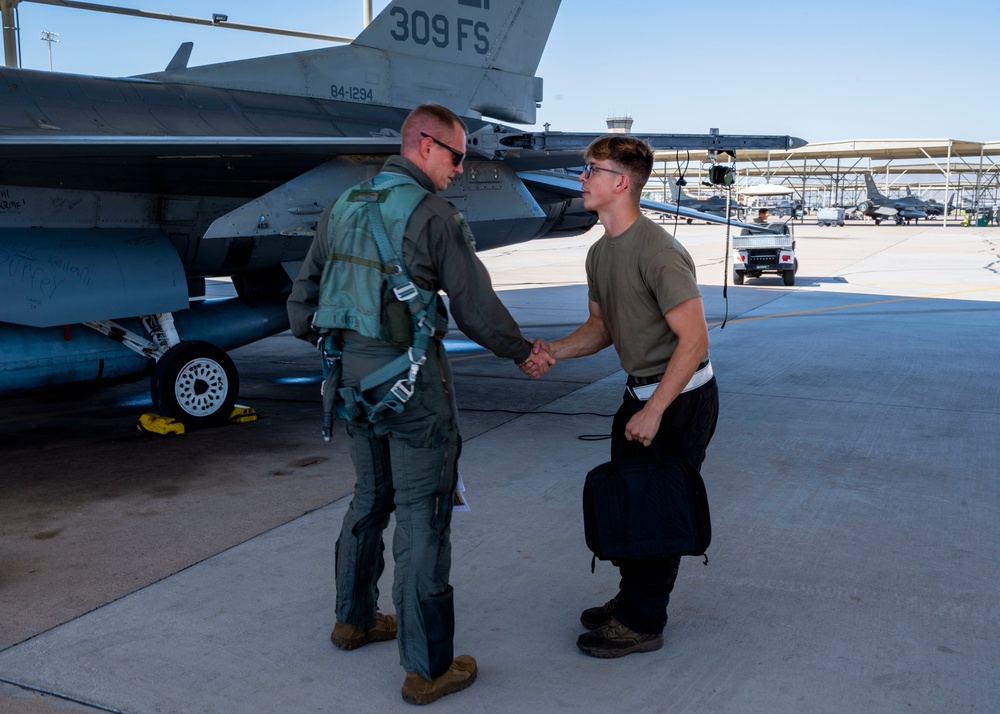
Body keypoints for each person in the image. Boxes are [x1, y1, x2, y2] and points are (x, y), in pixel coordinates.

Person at [287, 104, 552, 705]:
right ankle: (428, 669)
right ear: (426, 145)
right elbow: (475, 307)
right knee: (422, 519)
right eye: (458, 157)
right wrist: (522, 352)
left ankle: (351, 621)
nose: (461, 170)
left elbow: (303, 305)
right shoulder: (433, 215)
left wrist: (350, 349)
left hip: (349, 386)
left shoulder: (343, 206)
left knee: (367, 499)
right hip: (411, 390)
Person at [529, 135, 718, 659]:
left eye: (591, 169)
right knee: (630, 502)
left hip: (680, 398)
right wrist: (554, 352)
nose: (582, 177)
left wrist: (656, 409)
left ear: (621, 182)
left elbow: (695, 339)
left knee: (657, 508)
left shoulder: (657, 251)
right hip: (642, 393)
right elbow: (600, 328)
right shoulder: (600, 251)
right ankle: (631, 597)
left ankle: (643, 621)